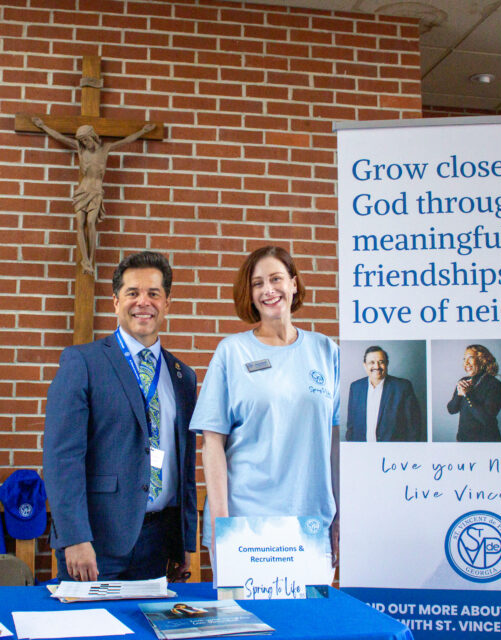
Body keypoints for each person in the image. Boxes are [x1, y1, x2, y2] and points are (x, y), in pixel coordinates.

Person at [43, 251, 197, 581]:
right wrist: (75, 537)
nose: (144, 302)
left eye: (154, 293)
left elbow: (184, 466)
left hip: (158, 543)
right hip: (95, 542)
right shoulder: (82, 362)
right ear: (115, 302)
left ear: (167, 302)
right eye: (133, 293)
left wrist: (184, 541)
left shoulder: (183, 376)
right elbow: (62, 458)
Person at [189, 246, 339, 577]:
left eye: (276, 279)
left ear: (294, 284)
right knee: (247, 626)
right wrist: (222, 524)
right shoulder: (232, 352)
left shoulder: (326, 352)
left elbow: (336, 441)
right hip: (246, 526)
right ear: (250, 294)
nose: (268, 290)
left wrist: (339, 513)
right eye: (258, 283)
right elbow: (212, 443)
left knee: (308, 627)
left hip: (310, 524)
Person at [31, 117, 155, 275]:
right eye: (81, 140)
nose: (84, 142)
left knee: (90, 222)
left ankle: (90, 258)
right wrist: (43, 126)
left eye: (85, 139)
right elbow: (59, 137)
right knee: (79, 221)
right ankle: (86, 261)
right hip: (83, 191)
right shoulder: (80, 149)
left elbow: (126, 140)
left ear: (93, 136)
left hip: (96, 191)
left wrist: (143, 131)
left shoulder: (105, 149)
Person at [346, 346, 424, 442]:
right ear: (365, 365)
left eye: (381, 362)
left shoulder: (403, 387)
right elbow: (351, 426)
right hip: (362, 452)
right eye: (372, 362)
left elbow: (414, 427)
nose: (377, 367)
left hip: (393, 453)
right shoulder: (355, 387)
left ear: (387, 364)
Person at [447, 344, 501, 442]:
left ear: (482, 360)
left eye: (470, 358)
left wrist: (468, 394)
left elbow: (486, 419)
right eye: (464, 359)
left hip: (486, 441)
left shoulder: (494, 384)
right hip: (463, 440)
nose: (466, 363)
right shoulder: (463, 381)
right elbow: (451, 410)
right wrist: (459, 395)